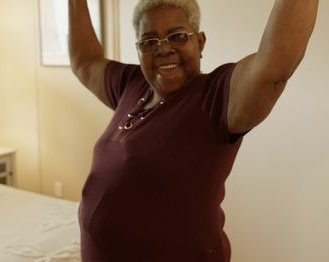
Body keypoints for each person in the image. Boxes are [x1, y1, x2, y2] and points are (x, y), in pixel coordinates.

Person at [68, 0, 319, 261]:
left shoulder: (215, 97)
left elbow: (275, 65)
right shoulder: (131, 85)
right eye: (149, 41)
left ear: (200, 42)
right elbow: (85, 62)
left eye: (177, 36)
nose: (163, 49)